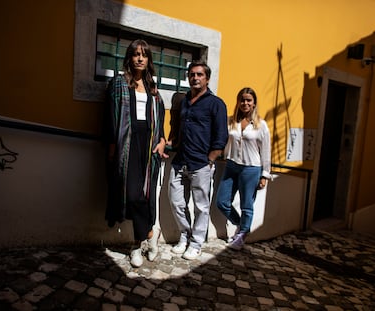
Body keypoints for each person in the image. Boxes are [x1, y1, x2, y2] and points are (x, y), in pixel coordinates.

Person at [104, 39, 168, 268]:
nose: (140, 58)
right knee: (132, 195)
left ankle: (135, 246)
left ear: (149, 60)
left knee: (146, 193)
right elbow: (111, 117)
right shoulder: (119, 83)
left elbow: (160, 117)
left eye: (144, 55)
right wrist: (112, 146)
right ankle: (151, 234)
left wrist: (162, 140)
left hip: (148, 142)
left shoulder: (153, 88)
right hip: (127, 143)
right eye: (136, 54)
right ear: (129, 58)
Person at [168, 60, 228, 260]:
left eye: (199, 74)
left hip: (201, 164)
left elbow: (221, 137)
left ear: (207, 79)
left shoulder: (216, 104)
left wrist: (210, 160)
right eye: (192, 74)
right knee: (176, 202)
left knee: (201, 207)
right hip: (180, 160)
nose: (195, 78)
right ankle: (185, 236)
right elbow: (177, 126)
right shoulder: (184, 101)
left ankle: (196, 243)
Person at [216, 87, 271, 250]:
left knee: (247, 205)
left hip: (251, 169)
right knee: (222, 202)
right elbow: (223, 139)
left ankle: (241, 236)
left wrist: (265, 175)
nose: (245, 103)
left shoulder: (261, 125)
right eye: (242, 100)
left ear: (254, 104)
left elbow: (266, 151)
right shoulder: (231, 121)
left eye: (249, 100)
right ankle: (241, 225)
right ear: (238, 102)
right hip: (232, 165)